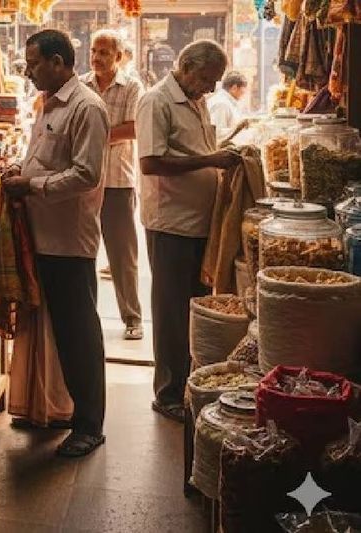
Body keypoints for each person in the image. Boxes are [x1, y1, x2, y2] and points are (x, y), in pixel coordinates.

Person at [2, 29, 109, 458]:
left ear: (60, 62)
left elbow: (86, 174)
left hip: (68, 241)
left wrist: (32, 185)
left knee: (79, 333)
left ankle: (90, 426)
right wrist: (21, 170)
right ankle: (59, 409)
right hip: (44, 237)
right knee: (59, 330)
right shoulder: (50, 103)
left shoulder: (87, 107)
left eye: (34, 63)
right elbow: (48, 159)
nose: (28, 71)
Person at [136, 40, 242, 422]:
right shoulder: (156, 101)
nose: (210, 88)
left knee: (197, 308)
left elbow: (197, 149)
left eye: (214, 81)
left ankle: (189, 385)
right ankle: (166, 394)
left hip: (199, 224)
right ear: (185, 65)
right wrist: (211, 159)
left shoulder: (195, 100)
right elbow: (150, 162)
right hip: (171, 224)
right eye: (205, 78)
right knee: (170, 313)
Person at [82, 29, 144, 341]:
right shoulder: (80, 85)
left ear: (118, 57)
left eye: (105, 52)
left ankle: (132, 318)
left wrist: (94, 137)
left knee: (123, 255)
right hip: (84, 182)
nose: (97, 57)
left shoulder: (132, 87)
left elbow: (133, 129)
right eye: (94, 50)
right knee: (82, 252)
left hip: (119, 181)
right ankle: (84, 318)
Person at [207, 71, 249, 141]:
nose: (244, 92)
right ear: (234, 88)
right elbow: (218, 134)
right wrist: (239, 127)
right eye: (243, 89)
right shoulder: (221, 104)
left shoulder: (228, 102)